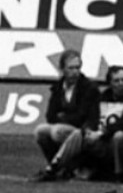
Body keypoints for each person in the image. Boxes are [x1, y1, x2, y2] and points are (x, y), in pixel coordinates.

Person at [36, 65, 123, 182]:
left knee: (119, 136)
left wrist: (101, 133)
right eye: (116, 80)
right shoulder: (101, 98)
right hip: (98, 140)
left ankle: (119, 175)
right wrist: (88, 130)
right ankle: (54, 169)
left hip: (114, 141)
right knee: (78, 133)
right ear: (110, 83)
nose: (121, 84)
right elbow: (92, 118)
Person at [33, 49, 100, 180]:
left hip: (83, 130)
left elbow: (83, 116)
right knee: (40, 131)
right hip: (66, 127)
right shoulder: (58, 87)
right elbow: (50, 115)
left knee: (57, 131)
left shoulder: (89, 88)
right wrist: (66, 117)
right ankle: (62, 167)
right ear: (62, 69)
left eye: (77, 67)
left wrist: (63, 117)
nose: (75, 72)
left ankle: (54, 168)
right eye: (71, 68)